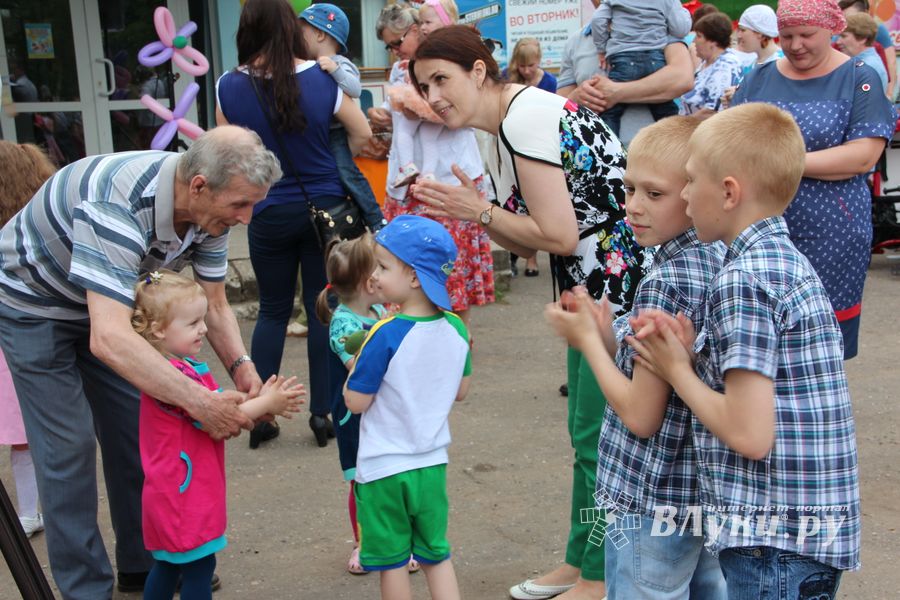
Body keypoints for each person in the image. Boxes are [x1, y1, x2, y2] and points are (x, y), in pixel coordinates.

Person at [410, 25, 651, 600]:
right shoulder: (493, 127)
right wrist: (479, 212)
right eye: (422, 86)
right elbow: (528, 245)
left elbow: (558, 235)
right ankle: (579, 560)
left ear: (477, 71)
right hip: (588, 287)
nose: (433, 95)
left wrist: (481, 210)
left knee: (599, 438)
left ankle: (599, 575)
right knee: (586, 432)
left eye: (441, 78)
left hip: (618, 288)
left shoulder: (523, 118)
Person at [0, 126, 280, 598]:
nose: (247, 217)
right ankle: (86, 589)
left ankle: (145, 562)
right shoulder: (116, 203)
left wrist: (243, 371)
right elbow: (108, 338)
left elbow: (213, 305)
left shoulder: (207, 214)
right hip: (34, 303)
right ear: (198, 186)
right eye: (240, 205)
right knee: (67, 447)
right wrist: (202, 403)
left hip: (108, 304)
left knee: (137, 428)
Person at [627, 102, 861, 599]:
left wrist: (676, 370)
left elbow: (750, 435)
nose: (686, 197)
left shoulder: (744, 281)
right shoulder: (780, 260)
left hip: (771, 538)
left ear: (729, 192)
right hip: (800, 532)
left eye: (690, 182)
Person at [544, 116, 726, 600]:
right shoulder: (719, 257)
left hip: (653, 492)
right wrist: (610, 338)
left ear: (696, 192)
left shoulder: (666, 282)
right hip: (702, 487)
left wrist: (588, 342)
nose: (633, 207)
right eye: (629, 189)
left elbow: (642, 415)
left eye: (655, 194)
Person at [216, 0, 373, 449]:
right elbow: (361, 132)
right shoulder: (324, 79)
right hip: (326, 208)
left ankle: (262, 415)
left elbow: (230, 149)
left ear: (246, 31)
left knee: (272, 309)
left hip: (267, 209)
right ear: (290, 28)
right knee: (323, 305)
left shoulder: (229, 85)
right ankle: (322, 414)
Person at [732, 0, 896, 359]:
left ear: (832, 29)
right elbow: (731, 140)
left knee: (820, 346)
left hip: (832, 233)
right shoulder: (758, 78)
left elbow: (862, 156)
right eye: (787, 35)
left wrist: (781, 162)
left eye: (807, 35)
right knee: (758, 340)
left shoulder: (859, 77)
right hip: (760, 230)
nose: (795, 45)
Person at [133, 270, 304, 600]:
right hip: (181, 495)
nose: (204, 329)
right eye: (193, 323)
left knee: (169, 566)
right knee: (198, 567)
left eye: (202, 320)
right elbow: (212, 414)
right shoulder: (169, 376)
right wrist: (268, 403)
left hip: (178, 491)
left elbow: (218, 403)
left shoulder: (181, 366)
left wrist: (255, 399)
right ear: (157, 329)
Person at [344, 215, 470, 600]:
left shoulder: (385, 333)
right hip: (431, 463)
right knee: (435, 553)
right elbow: (461, 391)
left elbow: (356, 401)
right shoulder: (457, 328)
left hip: (385, 466)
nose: (375, 276)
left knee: (392, 561)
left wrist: (353, 370)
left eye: (383, 266)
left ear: (414, 277)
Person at [370, 2, 494, 328]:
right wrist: (384, 113)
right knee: (402, 274)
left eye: (398, 42)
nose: (394, 50)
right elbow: (395, 109)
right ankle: (413, 349)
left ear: (417, 28)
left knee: (451, 275)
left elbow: (463, 113)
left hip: (450, 180)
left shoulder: (452, 57)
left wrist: (421, 108)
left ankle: (456, 351)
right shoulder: (400, 69)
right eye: (389, 45)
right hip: (407, 184)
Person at [313, 234, 388, 575]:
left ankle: (397, 540)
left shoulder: (379, 310)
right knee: (361, 481)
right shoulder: (343, 323)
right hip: (353, 416)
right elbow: (357, 366)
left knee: (391, 476)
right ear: (365, 282)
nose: (384, 275)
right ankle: (364, 543)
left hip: (384, 410)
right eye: (380, 269)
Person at [0, 141, 56, 541]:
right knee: (26, 438)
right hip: (22, 344)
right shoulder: (36, 231)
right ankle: (28, 511)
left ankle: (26, 514)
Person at [298, 2, 387, 231]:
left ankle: (376, 219)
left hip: (336, 132)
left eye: (302, 32)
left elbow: (355, 89)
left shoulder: (340, 63)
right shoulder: (306, 65)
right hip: (318, 132)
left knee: (347, 173)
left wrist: (334, 70)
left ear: (319, 33)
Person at [590, 0, 691, 134]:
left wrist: (601, 48)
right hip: (655, 58)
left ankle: (609, 150)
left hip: (623, 58)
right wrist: (681, 9)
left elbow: (598, 19)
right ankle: (674, 143)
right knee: (665, 108)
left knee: (610, 111)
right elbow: (680, 29)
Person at [503, 36, 558, 276]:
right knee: (517, 205)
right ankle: (518, 256)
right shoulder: (507, 78)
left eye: (531, 66)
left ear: (539, 61)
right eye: (522, 65)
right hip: (515, 145)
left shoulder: (549, 82)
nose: (526, 71)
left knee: (538, 206)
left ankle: (533, 259)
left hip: (541, 147)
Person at [680, 12, 745, 117]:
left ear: (713, 42)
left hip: (704, 130)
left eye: (699, 36)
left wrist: (679, 128)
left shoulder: (726, 66)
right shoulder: (706, 62)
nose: (694, 41)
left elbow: (711, 112)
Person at [840, 0, 896, 98]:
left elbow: (891, 61)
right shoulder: (842, 30)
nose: (847, 21)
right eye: (844, 17)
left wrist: (889, 95)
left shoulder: (878, 28)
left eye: (851, 16)